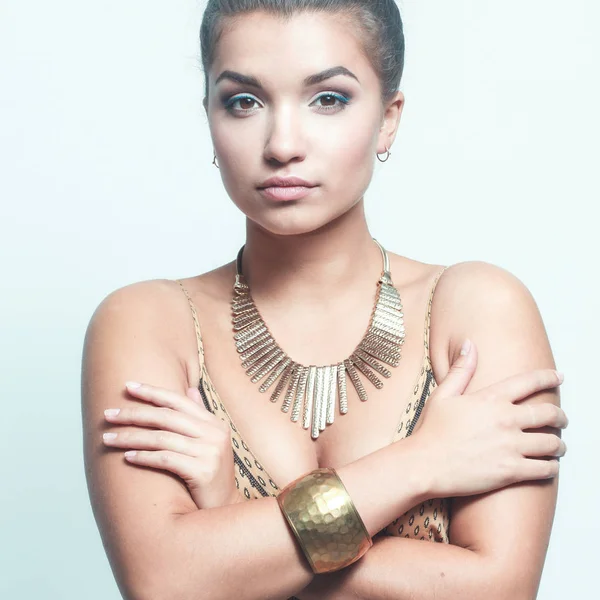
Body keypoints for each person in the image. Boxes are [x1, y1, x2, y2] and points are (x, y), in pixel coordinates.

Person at [81, 1, 568, 599]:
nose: (283, 143)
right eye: (244, 101)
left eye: (328, 99)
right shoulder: (147, 323)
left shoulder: (476, 309)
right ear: (209, 117)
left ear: (388, 118)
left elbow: (499, 591)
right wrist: (421, 463)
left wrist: (234, 524)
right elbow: (165, 584)